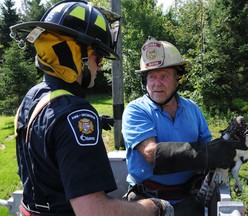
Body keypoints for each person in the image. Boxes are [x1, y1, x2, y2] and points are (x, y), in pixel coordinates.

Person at [12, 1, 173, 216]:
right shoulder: (76, 115)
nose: (101, 66)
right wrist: (153, 208)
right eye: (98, 57)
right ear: (76, 55)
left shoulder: (33, 97)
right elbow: (93, 211)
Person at [122, 37, 242, 216]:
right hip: (147, 203)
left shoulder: (192, 109)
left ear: (177, 79)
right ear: (144, 81)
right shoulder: (136, 110)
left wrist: (226, 148)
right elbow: (151, 153)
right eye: (152, 76)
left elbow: (207, 148)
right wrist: (207, 153)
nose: (156, 83)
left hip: (189, 201)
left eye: (164, 76)